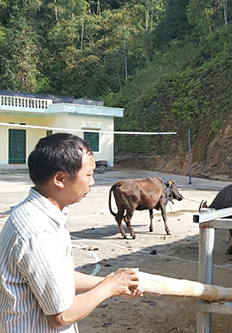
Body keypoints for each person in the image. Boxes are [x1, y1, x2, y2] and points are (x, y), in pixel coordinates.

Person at [0, 133, 142, 333]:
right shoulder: (38, 230)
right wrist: (109, 288)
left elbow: (58, 277)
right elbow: (62, 315)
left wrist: (112, 281)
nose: (92, 182)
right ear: (60, 179)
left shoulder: (41, 214)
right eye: (88, 175)